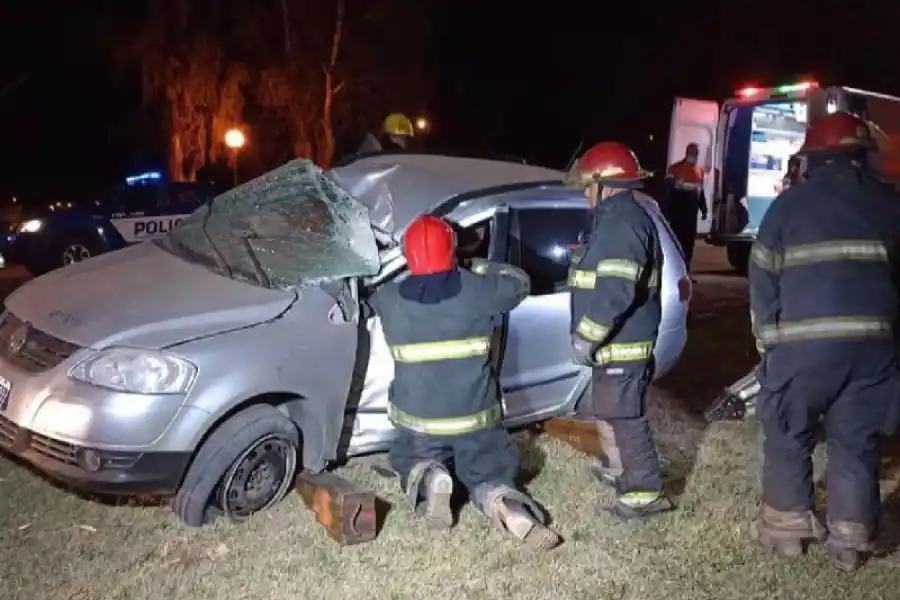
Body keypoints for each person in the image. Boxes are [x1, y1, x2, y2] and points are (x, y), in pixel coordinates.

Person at [749, 110, 900, 572]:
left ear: (812, 159)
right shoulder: (889, 204)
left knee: (788, 430)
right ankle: (850, 542)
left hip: (801, 350)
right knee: (856, 440)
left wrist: (767, 340)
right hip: (871, 352)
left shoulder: (788, 206)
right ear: (861, 157)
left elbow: (762, 274)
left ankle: (788, 531)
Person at [367, 215, 561, 550]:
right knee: (490, 471)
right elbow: (520, 282)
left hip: (420, 423)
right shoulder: (479, 291)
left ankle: (432, 478)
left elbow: (367, 296)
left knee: (410, 460)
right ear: (452, 250)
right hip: (475, 418)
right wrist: (476, 265)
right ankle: (505, 505)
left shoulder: (389, 299)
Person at [566, 141, 674, 520]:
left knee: (626, 418)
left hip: (622, 345)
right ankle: (623, 472)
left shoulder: (622, 222)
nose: (584, 193)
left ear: (605, 184)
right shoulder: (617, 219)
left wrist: (586, 336)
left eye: (587, 186)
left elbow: (616, 290)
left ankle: (645, 492)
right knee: (611, 412)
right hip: (616, 345)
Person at [663, 142, 708, 271]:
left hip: (691, 213)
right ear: (687, 153)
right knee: (676, 241)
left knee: (689, 243)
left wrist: (704, 209)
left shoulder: (699, 171)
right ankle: (674, 270)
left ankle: (685, 271)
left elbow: (700, 192)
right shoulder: (675, 169)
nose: (695, 156)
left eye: (696, 153)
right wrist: (667, 210)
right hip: (678, 212)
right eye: (693, 153)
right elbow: (667, 189)